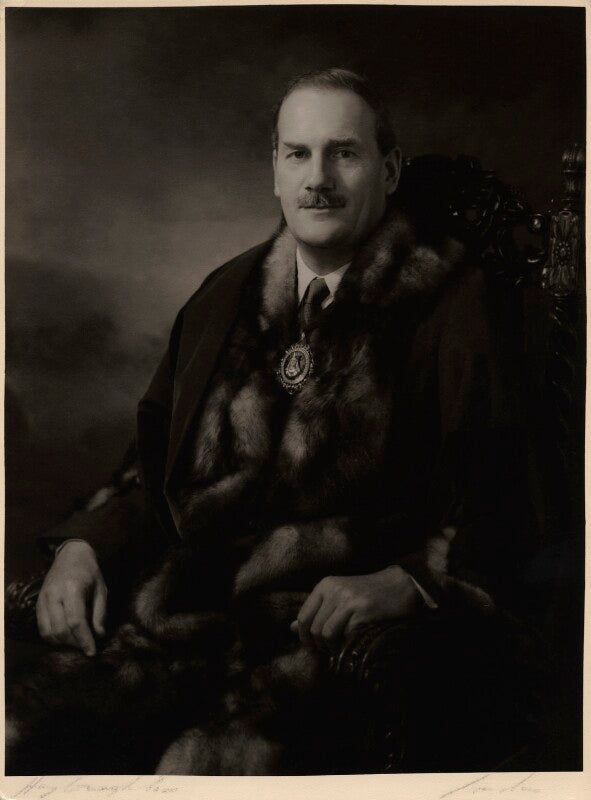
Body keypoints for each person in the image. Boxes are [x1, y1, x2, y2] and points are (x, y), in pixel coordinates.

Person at [8, 69, 539, 774]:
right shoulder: (224, 296)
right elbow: (154, 468)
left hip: (317, 650)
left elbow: (503, 499)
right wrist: (83, 547)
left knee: (198, 769)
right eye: (298, 154)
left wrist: (409, 580)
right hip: (180, 619)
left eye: (343, 153)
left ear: (388, 170)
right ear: (275, 170)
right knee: (17, 724)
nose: (317, 179)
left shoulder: (453, 305)